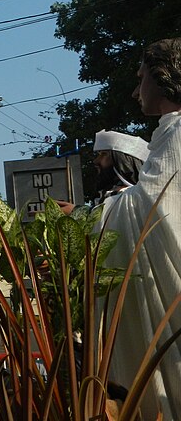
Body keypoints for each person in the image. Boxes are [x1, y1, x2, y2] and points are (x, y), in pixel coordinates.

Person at [104, 38, 181, 419]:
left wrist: (90, 218)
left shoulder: (179, 132)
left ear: (162, 76)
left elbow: (156, 205)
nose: (136, 91)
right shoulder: (169, 131)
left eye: (141, 78)